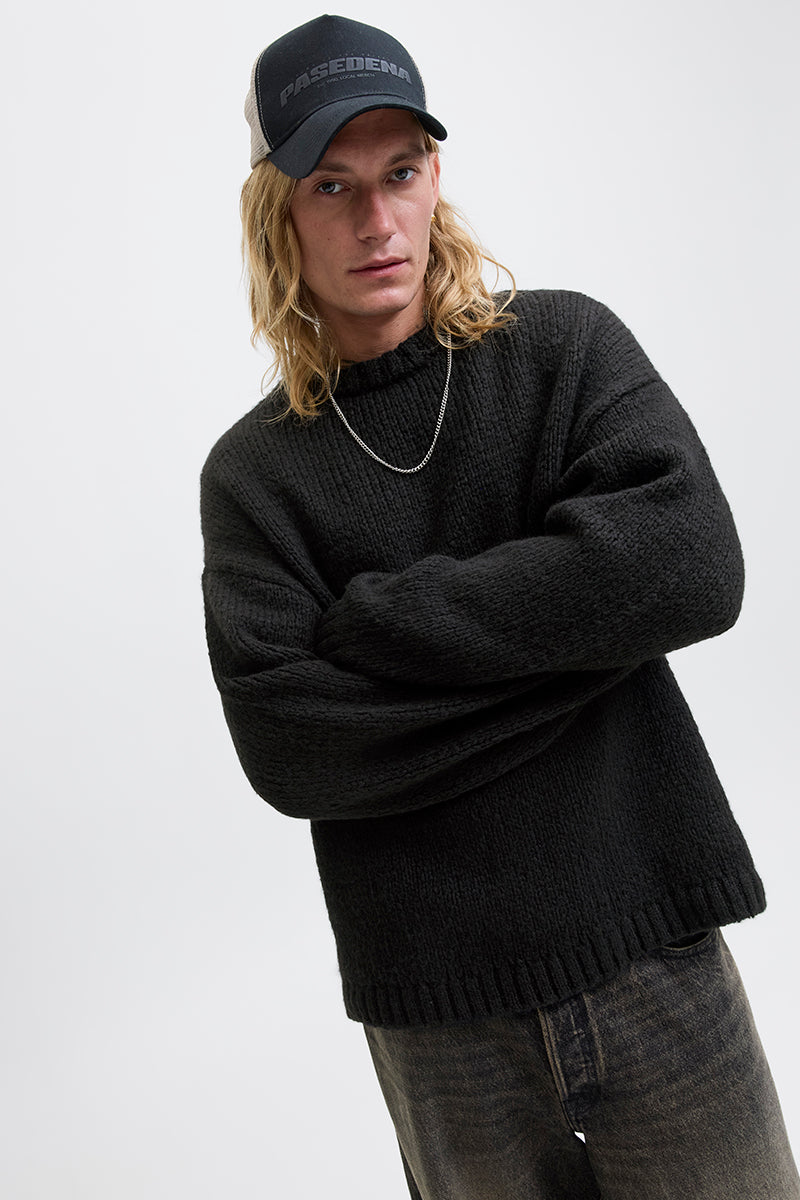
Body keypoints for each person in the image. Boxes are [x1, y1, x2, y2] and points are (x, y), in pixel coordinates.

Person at [201, 14, 799, 1199]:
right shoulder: (254, 476)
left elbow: (691, 568)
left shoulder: (563, 350)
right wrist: (581, 645)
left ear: (435, 179)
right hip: (438, 1026)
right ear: (279, 212)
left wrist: (384, 625)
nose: (376, 222)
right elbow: (291, 748)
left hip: (653, 958)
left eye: (399, 173)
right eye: (332, 186)